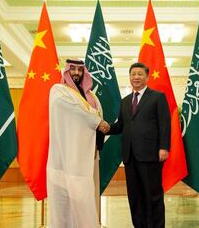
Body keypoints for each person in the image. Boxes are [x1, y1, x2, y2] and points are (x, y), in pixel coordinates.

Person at [103, 62, 171, 228]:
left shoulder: (157, 97)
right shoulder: (125, 101)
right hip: (130, 156)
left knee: (152, 196)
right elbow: (121, 125)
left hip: (150, 155)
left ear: (147, 77)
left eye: (140, 74)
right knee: (135, 196)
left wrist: (164, 147)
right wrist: (106, 128)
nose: (136, 77)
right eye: (133, 74)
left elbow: (165, 124)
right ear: (130, 77)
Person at [47, 59, 108, 228]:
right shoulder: (59, 91)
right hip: (67, 157)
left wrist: (98, 122)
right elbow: (72, 110)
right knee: (66, 199)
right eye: (72, 69)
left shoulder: (91, 96)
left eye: (79, 70)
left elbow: (95, 115)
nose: (76, 73)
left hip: (89, 155)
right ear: (66, 71)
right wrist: (96, 121)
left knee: (86, 195)